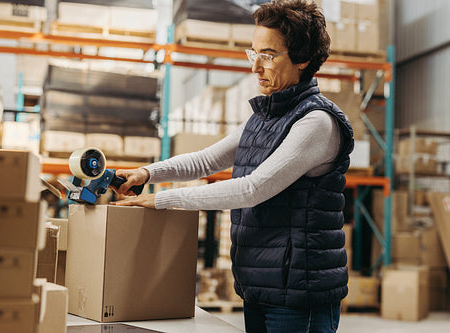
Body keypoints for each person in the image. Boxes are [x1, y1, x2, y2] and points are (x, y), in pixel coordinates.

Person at [111, 0, 354, 331]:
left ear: (302, 59)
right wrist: (147, 173)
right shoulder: (263, 116)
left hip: (299, 295)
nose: (255, 67)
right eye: (253, 54)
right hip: (260, 285)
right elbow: (207, 159)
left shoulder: (317, 122)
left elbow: (253, 189)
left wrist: (162, 199)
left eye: (268, 55)